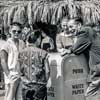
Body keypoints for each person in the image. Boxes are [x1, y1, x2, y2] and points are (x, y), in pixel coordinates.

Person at [67, 17, 100, 98]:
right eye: (68, 27)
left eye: (71, 26)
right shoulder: (90, 31)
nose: (70, 29)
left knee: (90, 95)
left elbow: (76, 49)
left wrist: (69, 50)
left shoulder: (84, 31)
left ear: (79, 25)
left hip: (98, 68)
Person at [19, 31, 50, 100]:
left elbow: (20, 70)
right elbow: (47, 71)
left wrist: (24, 80)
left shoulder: (21, 53)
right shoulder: (43, 53)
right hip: (39, 86)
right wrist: (44, 82)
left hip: (26, 86)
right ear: (38, 39)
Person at [0, 22, 25, 100]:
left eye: (19, 31)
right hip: (11, 73)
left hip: (20, 74)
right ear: (10, 31)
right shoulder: (6, 44)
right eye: (14, 31)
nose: (16, 33)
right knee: (9, 97)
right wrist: (8, 75)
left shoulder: (22, 43)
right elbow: (3, 61)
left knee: (20, 97)